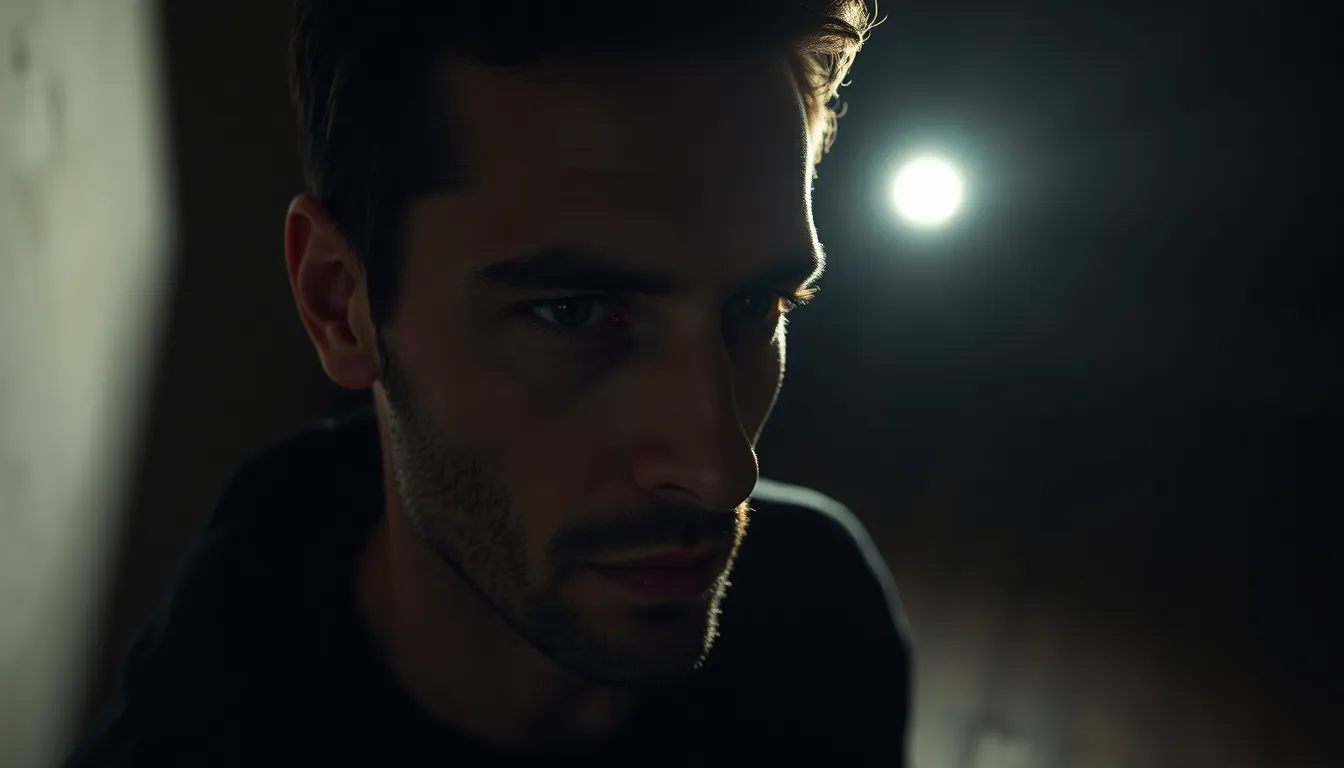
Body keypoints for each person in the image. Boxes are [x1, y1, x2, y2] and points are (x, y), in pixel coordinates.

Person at [66, 1, 911, 764]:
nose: (722, 470)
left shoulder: (822, 609)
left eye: (757, 305)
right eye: (575, 314)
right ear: (340, 304)